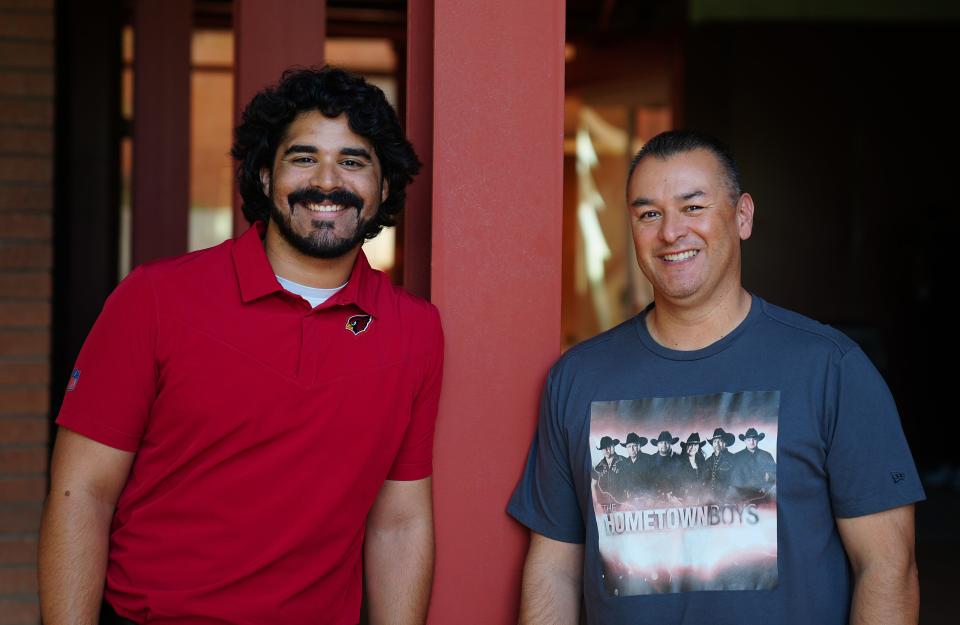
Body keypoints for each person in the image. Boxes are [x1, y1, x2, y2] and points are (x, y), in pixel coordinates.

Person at [39, 67, 443, 625]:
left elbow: (399, 521)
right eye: (303, 158)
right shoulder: (156, 298)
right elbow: (81, 493)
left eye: (353, 161)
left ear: (385, 187)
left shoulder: (415, 332)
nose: (327, 181)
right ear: (261, 175)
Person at [508, 130, 922, 624]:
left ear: (742, 216)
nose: (670, 233)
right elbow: (554, 567)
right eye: (649, 214)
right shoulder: (578, 378)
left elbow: (887, 567)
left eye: (693, 207)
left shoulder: (829, 369)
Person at [734, 427, 777, 501]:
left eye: (754, 439)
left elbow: (773, 474)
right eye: (749, 440)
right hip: (742, 495)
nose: (752, 442)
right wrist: (741, 491)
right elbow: (735, 476)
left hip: (762, 494)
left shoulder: (766, 455)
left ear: (758, 440)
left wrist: (765, 488)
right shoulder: (737, 456)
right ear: (745, 441)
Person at [703, 427, 737, 502]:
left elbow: (736, 481)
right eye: (715, 441)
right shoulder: (708, 461)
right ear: (712, 444)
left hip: (728, 499)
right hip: (710, 499)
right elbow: (705, 481)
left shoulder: (733, 459)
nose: (717, 444)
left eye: (720, 441)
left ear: (725, 443)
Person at [647, 430, 680, 501]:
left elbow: (682, 480)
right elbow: (648, 480)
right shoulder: (651, 459)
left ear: (671, 444)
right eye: (661, 443)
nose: (664, 445)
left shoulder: (678, 458)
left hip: (675, 497)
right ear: (657, 445)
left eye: (667, 442)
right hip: (654, 497)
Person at [592, 435, 625, 505]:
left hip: (623, 501)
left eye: (608, 447)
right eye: (604, 448)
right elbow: (595, 487)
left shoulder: (624, 462)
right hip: (606, 504)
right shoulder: (598, 468)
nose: (606, 450)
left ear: (613, 447)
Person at [676, 432, 707, 503]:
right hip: (684, 499)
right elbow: (676, 483)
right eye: (690, 445)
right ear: (686, 447)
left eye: (695, 445)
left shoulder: (702, 462)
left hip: (701, 498)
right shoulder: (679, 462)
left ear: (699, 447)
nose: (692, 447)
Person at [618, 432, 649, 500]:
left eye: (634, 446)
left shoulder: (649, 460)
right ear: (626, 448)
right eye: (629, 446)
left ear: (639, 446)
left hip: (647, 499)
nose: (632, 449)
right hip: (630, 500)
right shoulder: (625, 463)